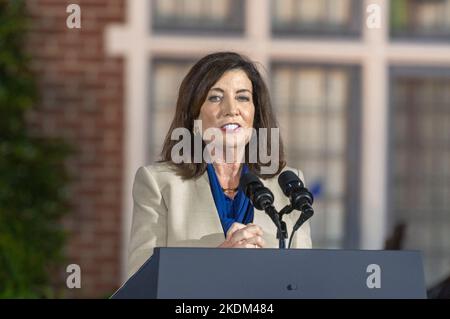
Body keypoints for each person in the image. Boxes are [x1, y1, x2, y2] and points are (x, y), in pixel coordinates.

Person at [127, 51, 312, 279]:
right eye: (215, 97)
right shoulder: (159, 184)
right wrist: (217, 265)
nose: (231, 109)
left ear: (256, 113)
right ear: (194, 113)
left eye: (243, 97)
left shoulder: (289, 186)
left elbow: (305, 281)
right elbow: (141, 283)